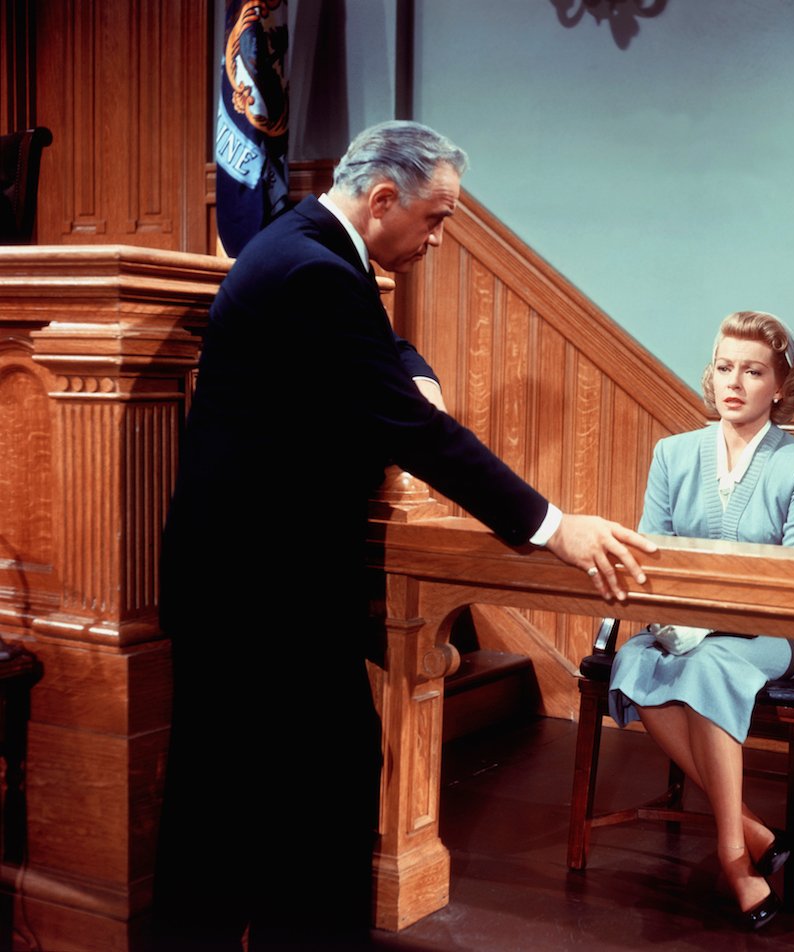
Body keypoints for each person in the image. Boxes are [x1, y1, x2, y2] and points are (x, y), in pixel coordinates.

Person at [153, 120, 655, 951]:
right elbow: (419, 435)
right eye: (435, 218)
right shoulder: (313, 268)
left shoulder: (311, 247)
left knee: (247, 801)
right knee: (294, 799)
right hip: (260, 595)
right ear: (383, 198)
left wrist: (416, 372)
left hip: (250, 582)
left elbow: (383, 351)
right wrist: (556, 528)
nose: (439, 236)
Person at [607, 310, 794, 931]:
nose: (734, 381)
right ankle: (754, 831)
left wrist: (709, 624)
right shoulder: (672, 454)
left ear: (780, 388)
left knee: (706, 664)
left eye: (753, 371)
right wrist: (677, 617)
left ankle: (733, 857)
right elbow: (652, 555)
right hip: (682, 624)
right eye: (724, 367)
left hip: (778, 634)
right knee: (635, 659)